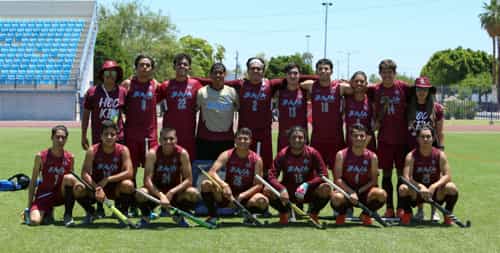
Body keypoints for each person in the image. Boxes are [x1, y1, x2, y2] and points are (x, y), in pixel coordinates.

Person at [81, 60, 127, 217]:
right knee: (98, 172)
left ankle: (120, 204)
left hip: (118, 137)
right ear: (102, 75)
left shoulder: (122, 91)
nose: (110, 77)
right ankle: (99, 205)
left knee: (118, 168)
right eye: (107, 73)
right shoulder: (93, 92)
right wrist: (83, 134)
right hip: (98, 136)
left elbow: (125, 113)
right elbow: (86, 114)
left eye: (113, 73)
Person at [200, 128, 268, 225]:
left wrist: (242, 195)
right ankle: (212, 216)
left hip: (245, 196)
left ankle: (249, 216)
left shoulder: (256, 159)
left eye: (245, 139)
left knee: (262, 201)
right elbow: (212, 172)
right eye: (239, 138)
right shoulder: (227, 154)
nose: (242, 141)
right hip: (227, 194)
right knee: (205, 184)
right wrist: (224, 185)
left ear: (250, 141)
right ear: (235, 140)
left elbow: (259, 185)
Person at [369, 59, 411, 218]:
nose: (387, 75)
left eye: (390, 72)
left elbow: (423, 93)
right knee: (386, 174)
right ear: (380, 73)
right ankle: (389, 208)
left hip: (401, 139)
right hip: (385, 139)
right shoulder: (375, 90)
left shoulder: (403, 88)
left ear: (395, 73)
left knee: (401, 174)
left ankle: (401, 207)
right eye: (384, 72)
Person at [135, 128, 200, 228]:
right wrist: (161, 195)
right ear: (160, 140)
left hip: (174, 193)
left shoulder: (182, 153)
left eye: (171, 138)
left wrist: (171, 192)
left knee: (193, 193)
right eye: (165, 139)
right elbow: (147, 180)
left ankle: (178, 216)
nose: (168, 142)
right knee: (141, 193)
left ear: (176, 139)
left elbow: (188, 180)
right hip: (155, 193)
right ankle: (146, 216)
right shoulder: (152, 153)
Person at [122, 55, 162, 216]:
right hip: (131, 135)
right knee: (130, 172)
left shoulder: (156, 85)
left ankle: (148, 205)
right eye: (141, 65)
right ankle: (131, 205)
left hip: (150, 136)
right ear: (136, 67)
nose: (144, 67)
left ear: (152, 68)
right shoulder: (128, 84)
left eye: (147, 65)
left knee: (151, 172)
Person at [74, 120, 135, 225]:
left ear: (117, 136)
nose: (109, 137)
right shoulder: (92, 150)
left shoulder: (123, 150)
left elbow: (129, 173)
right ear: (101, 136)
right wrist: (97, 188)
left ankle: (122, 212)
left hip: (116, 188)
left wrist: (108, 179)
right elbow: (85, 173)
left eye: (112, 134)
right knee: (78, 187)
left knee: (128, 185)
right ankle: (91, 212)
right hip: (96, 187)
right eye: (106, 134)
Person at [267, 126, 330, 225]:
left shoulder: (313, 153)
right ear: (289, 139)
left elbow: (324, 174)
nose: (297, 140)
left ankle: (313, 214)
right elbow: (271, 176)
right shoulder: (283, 154)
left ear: (305, 139)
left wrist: (307, 184)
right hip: (288, 192)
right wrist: (282, 189)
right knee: (267, 190)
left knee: (326, 188)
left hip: (308, 191)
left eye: (300, 137)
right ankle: (285, 213)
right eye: (294, 137)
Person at [398, 126, 459, 225]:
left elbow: (447, 175)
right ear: (417, 139)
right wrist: (420, 186)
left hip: (435, 193)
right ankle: (408, 214)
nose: (425, 139)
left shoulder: (440, 154)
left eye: (428, 136)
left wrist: (434, 186)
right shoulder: (411, 156)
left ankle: (448, 215)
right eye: (422, 137)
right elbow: (406, 178)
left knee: (451, 187)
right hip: (417, 192)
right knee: (403, 188)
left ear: (433, 138)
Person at [330, 124, 386, 225]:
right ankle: (342, 214)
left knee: (381, 194)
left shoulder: (372, 157)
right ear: (351, 137)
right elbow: (337, 179)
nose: (358, 138)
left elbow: (374, 181)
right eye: (355, 136)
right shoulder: (341, 155)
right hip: (346, 192)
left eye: (361, 136)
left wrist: (358, 192)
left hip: (364, 191)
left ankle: (365, 214)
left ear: (366, 138)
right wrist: (351, 192)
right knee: (336, 198)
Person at [407, 76, 445, 221]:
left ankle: (435, 210)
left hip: (431, 148)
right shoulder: (408, 105)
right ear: (415, 90)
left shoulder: (437, 108)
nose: (421, 92)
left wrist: (441, 149)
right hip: (413, 148)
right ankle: (420, 210)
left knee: (434, 178)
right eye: (419, 89)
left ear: (429, 91)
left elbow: (440, 131)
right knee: (417, 178)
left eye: (425, 89)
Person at [26, 125, 78, 227]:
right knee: (34, 222)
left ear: (66, 139)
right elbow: (33, 182)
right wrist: (29, 206)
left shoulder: (70, 157)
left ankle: (68, 215)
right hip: (44, 195)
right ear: (52, 137)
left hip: (60, 195)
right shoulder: (40, 156)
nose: (60, 140)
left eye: (63, 137)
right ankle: (47, 212)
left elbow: (72, 184)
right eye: (57, 137)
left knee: (70, 179)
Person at [304, 58, 351, 169]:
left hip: (336, 138)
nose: (323, 71)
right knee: (318, 172)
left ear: (331, 71)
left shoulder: (340, 87)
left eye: (326, 69)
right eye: (320, 69)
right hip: (317, 138)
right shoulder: (311, 86)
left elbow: (360, 88)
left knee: (337, 170)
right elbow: (296, 81)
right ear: (316, 72)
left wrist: (348, 81)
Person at [158, 53, 203, 160]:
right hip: (170, 134)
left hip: (188, 134)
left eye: (185, 64)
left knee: (187, 164)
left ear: (189, 67)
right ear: (174, 66)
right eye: (179, 64)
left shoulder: (196, 84)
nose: (182, 66)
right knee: (169, 164)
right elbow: (152, 101)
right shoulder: (165, 85)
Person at [196, 63, 239, 160]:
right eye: (215, 73)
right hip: (205, 139)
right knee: (204, 171)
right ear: (210, 75)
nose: (218, 75)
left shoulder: (232, 92)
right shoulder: (201, 92)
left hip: (226, 140)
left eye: (220, 73)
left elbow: (238, 109)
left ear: (225, 75)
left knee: (224, 172)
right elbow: (194, 110)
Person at [275, 63, 309, 153]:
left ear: (300, 75)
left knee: (303, 163)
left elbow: (318, 79)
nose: (292, 76)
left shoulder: (305, 91)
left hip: (301, 134)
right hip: (284, 134)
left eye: (295, 73)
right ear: (285, 75)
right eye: (289, 73)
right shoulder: (279, 91)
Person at [344, 71, 376, 151]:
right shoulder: (346, 100)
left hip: (368, 145)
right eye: (356, 81)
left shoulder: (371, 102)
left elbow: (376, 124)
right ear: (351, 83)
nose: (359, 83)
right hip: (350, 144)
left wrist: (364, 145)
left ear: (366, 84)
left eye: (362, 81)